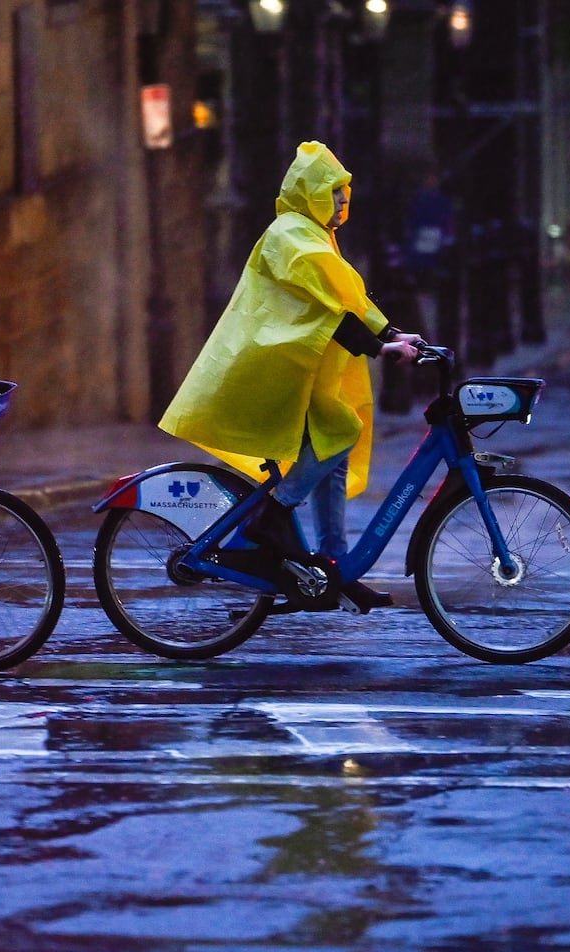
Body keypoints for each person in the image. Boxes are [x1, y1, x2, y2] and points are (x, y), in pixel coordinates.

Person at [158, 140, 422, 612]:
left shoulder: (312, 235)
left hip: (297, 372)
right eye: (334, 192)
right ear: (310, 194)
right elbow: (328, 308)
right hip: (273, 372)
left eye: (345, 193)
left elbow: (347, 301)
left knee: (333, 459)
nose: (343, 201)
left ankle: (335, 569)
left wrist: (393, 332)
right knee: (340, 434)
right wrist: (381, 346)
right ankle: (273, 513)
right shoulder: (292, 237)